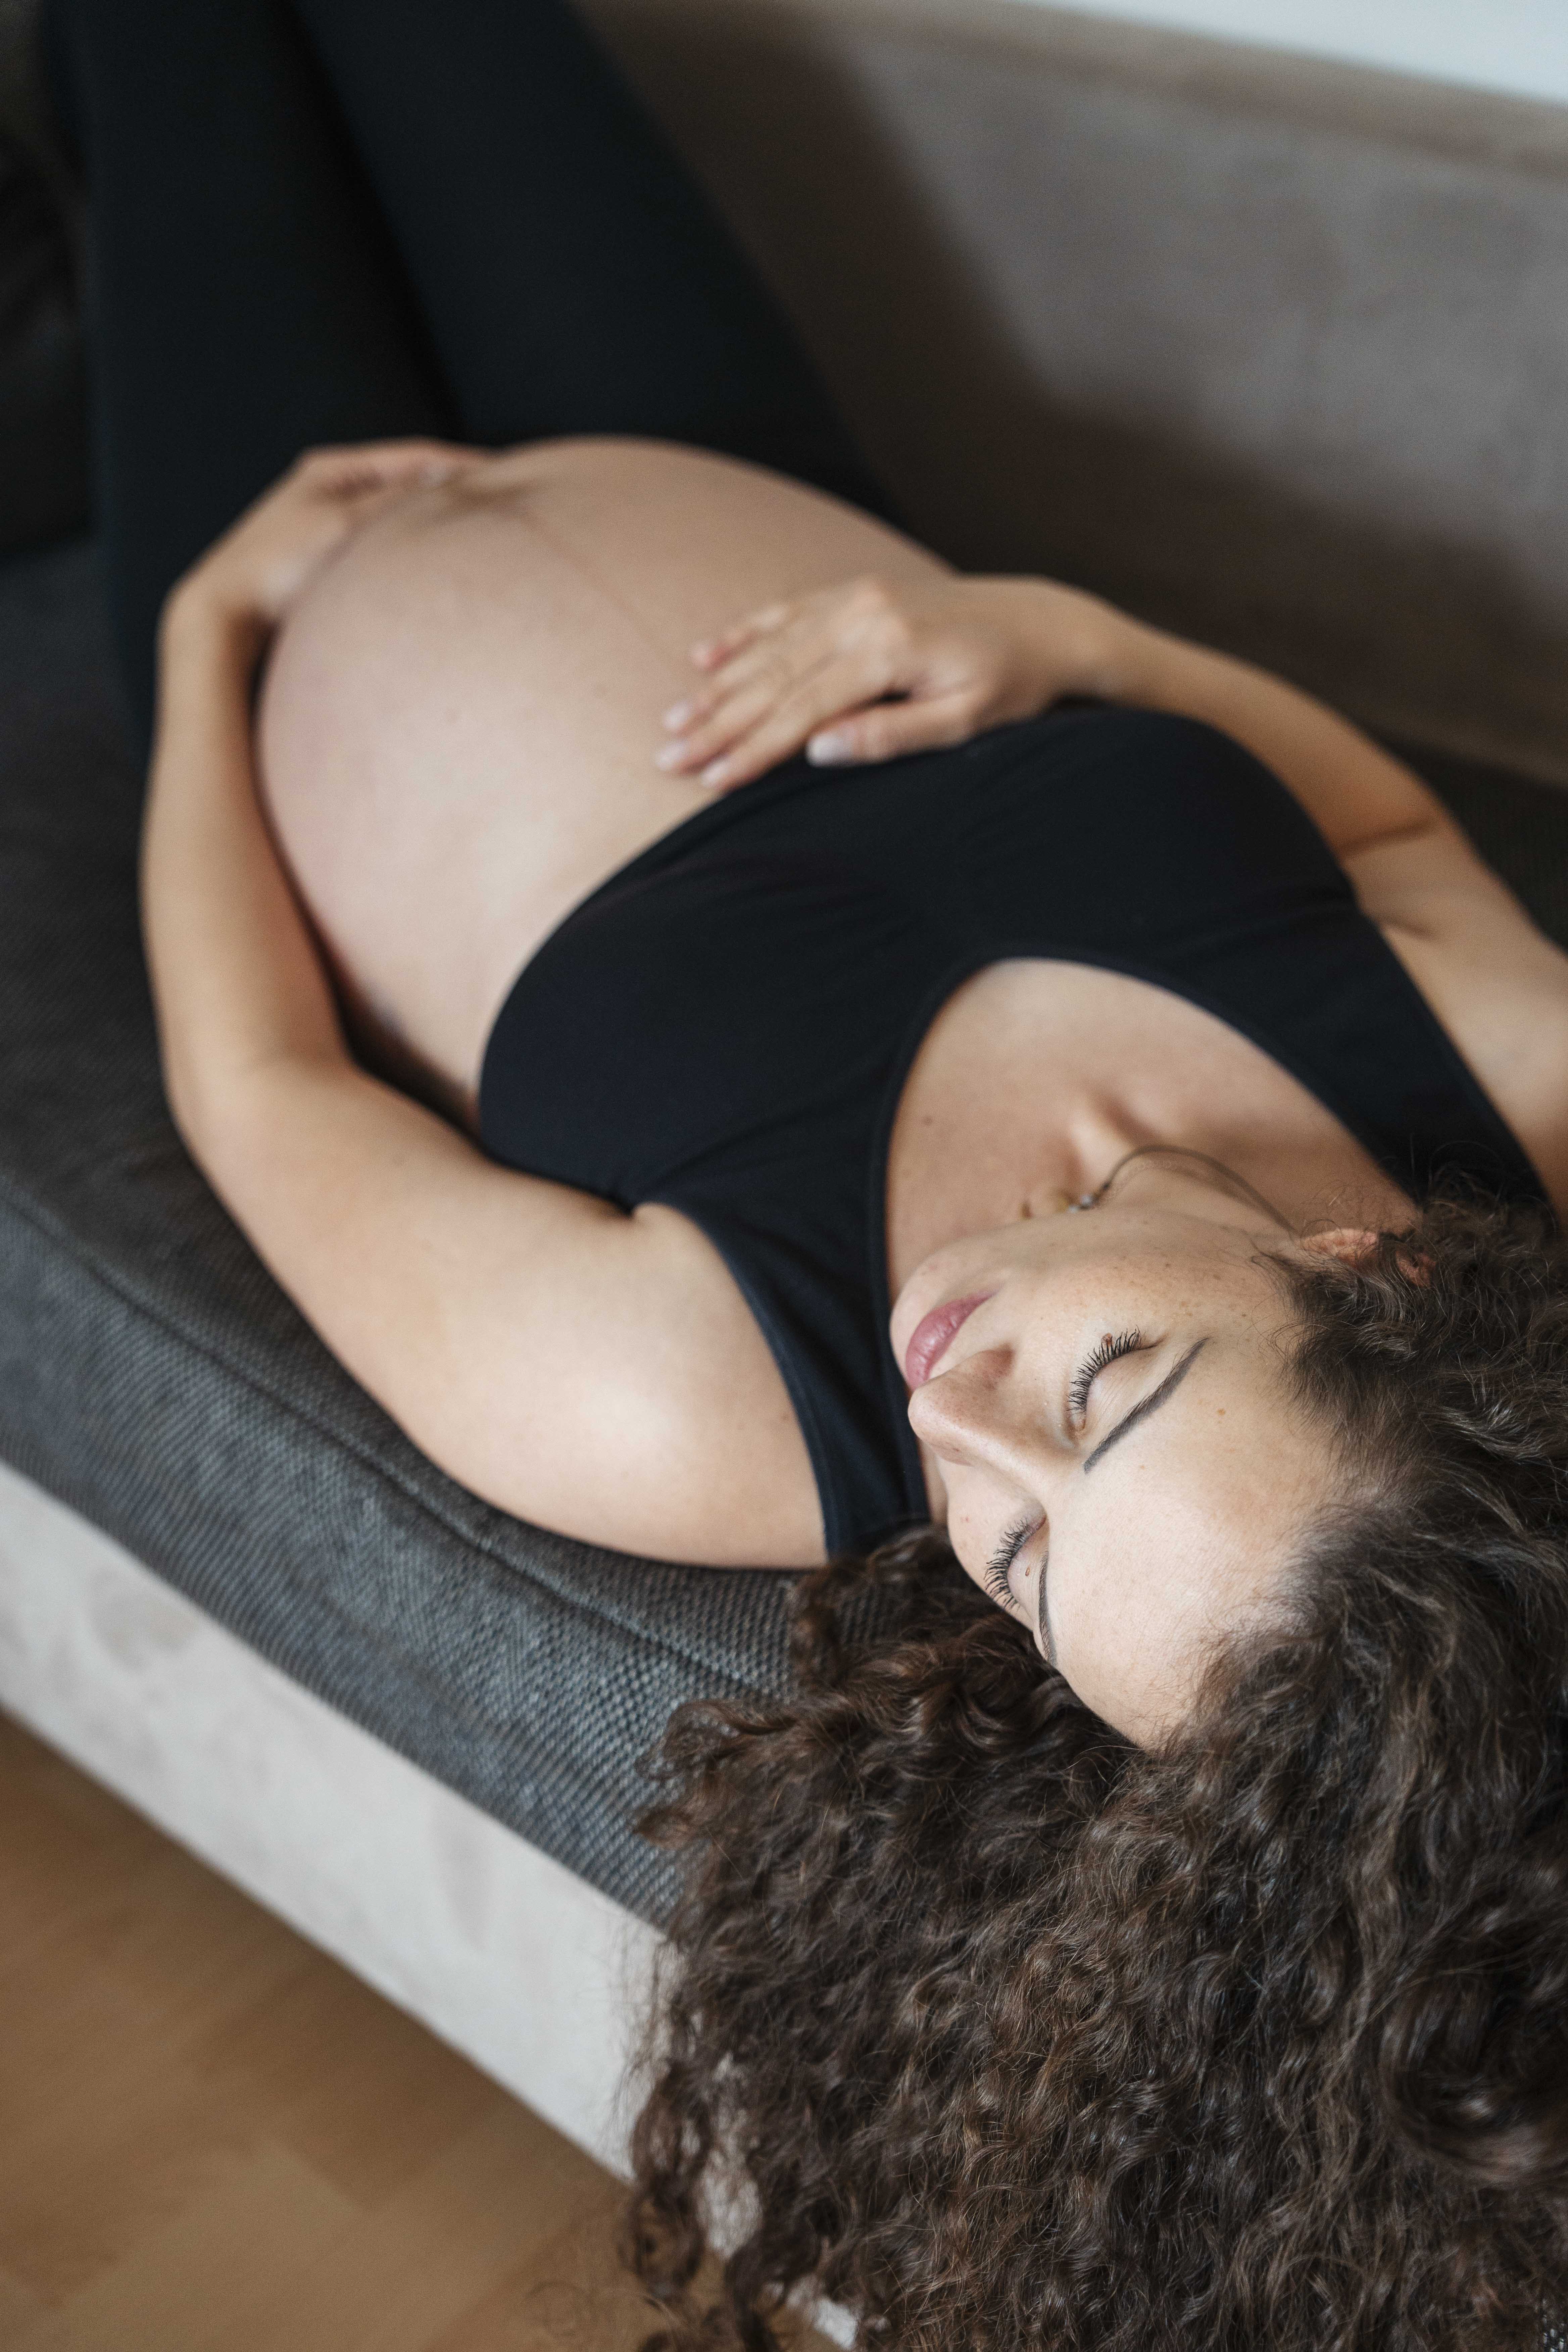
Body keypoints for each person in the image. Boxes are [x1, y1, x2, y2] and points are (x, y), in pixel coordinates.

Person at [50, 0, 1568, 2342]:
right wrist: (1052, 635)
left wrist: (204, 634)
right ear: (1370, 1272)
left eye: (1019, 1568)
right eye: (1109, 1394)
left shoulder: (708, 1406)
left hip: (295, 610)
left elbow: (263, 1093)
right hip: (722, 459)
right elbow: (1381, 824)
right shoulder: (1505, 1083)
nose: (954, 1417)